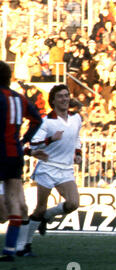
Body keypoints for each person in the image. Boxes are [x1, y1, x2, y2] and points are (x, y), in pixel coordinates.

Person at [15, 84, 82, 256]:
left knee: (73, 203)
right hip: (48, 168)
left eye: (66, 95)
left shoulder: (76, 118)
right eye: (60, 96)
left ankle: (47, 217)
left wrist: (78, 153)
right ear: (53, 100)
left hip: (66, 169)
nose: (64, 99)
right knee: (39, 208)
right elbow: (33, 144)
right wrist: (51, 139)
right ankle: (24, 246)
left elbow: (76, 139)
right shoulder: (46, 121)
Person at [0, 60, 43, 262]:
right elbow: (37, 120)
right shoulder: (19, 99)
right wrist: (24, 139)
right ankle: (9, 249)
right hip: (14, 154)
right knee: (15, 201)